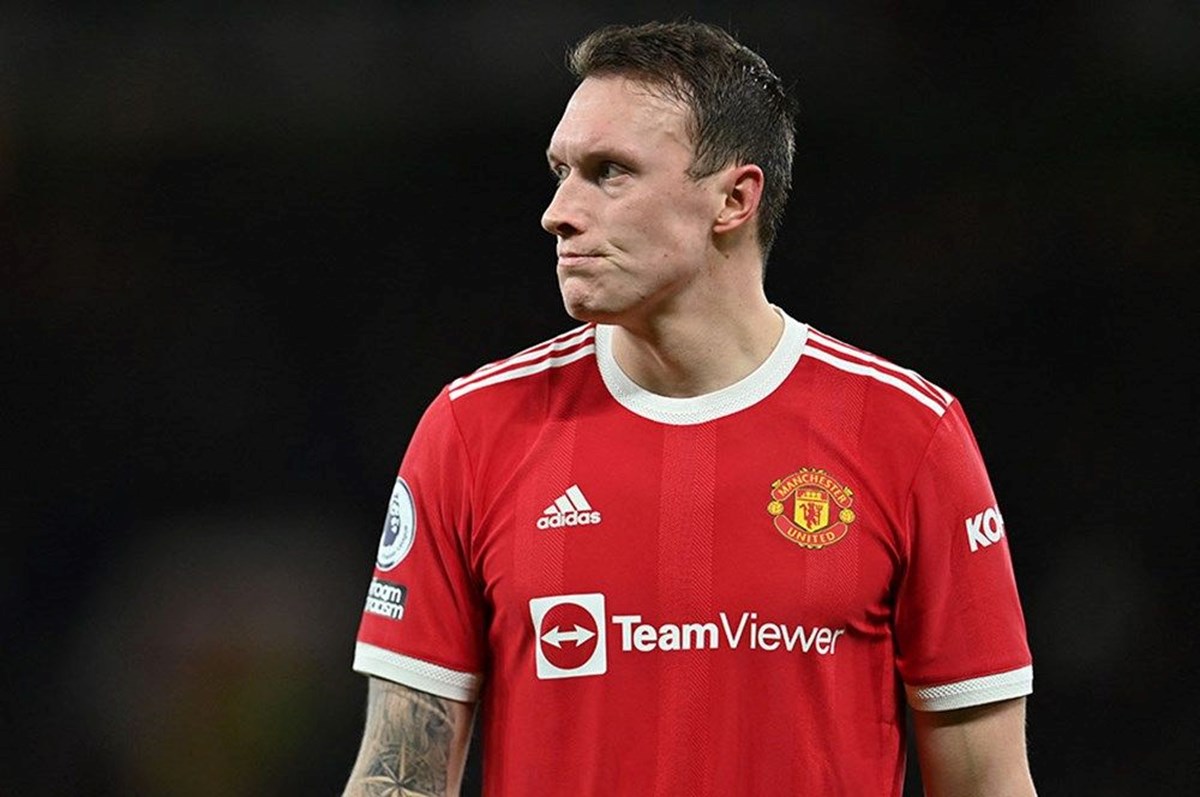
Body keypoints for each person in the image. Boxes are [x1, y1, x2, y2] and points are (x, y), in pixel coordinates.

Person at [343, 20, 1035, 797]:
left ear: (734, 199)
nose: (558, 212)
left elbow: (989, 783)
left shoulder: (908, 433)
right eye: (561, 172)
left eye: (608, 172)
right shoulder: (473, 430)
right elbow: (397, 777)